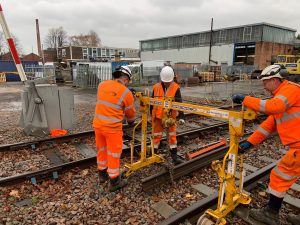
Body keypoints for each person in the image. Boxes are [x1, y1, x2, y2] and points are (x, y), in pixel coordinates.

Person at [232, 65, 300, 225]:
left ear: (275, 80)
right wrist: (249, 142)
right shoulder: (283, 95)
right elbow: (269, 125)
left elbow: (272, 107)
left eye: (266, 81)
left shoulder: (291, 90)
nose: (263, 85)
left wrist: (245, 99)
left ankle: (270, 213)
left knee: (278, 176)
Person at [93, 65, 136, 192]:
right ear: (126, 79)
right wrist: (130, 121)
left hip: (98, 125)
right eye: (128, 81)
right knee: (113, 153)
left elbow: (109, 102)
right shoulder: (126, 93)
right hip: (112, 129)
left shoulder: (101, 85)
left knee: (102, 149)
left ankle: (102, 175)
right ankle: (114, 181)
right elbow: (131, 117)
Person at [151, 66, 185, 165]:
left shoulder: (175, 88)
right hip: (158, 117)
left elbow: (179, 103)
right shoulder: (156, 87)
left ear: (172, 78)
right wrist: (150, 115)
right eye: (165, 81)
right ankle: (154, 156)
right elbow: (151, 102)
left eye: (168, 81)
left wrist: (181, 116)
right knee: (156, 137)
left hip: (170, 118)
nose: (166, 83)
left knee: (172, 137)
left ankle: (174, 156)